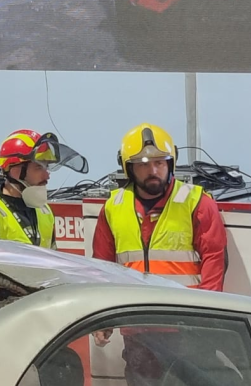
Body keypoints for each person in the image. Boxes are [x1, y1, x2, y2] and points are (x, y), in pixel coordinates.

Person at [92, 123, 228, 290]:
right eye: (143, 164)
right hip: (132, 310)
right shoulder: (112, 207)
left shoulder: (197, 202)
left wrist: (206, 309)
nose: (153, 171)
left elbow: (214, 259)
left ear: (171, 163)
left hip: (183, 310)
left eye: (160, 162)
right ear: (129, 168)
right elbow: (102, 268)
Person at [0, 130, 88, 247]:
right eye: (39, 167)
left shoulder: (44, 211)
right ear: (16, 171)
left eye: (47, 167)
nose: (47, 175)